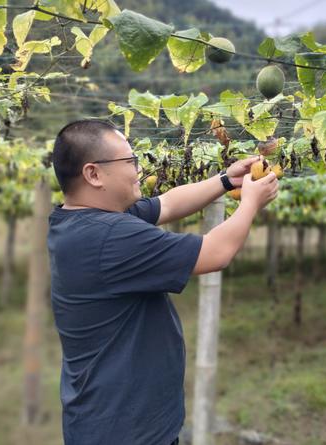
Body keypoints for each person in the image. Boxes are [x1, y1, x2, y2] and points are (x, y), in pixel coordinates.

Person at [47, 119, 278, 445]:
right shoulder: (110, 237)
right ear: (93, 174)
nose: (138, 169)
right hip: (126, 432)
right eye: (129, 161)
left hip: (110, 419)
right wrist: (251, 203)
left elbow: (167, 203)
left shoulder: (77, 220)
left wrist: (226, 180)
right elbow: (215, 253)